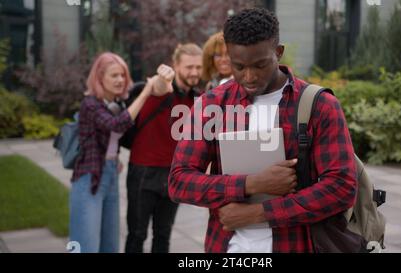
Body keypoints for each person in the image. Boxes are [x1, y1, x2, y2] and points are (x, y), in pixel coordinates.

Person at [168, 8, 357, 253]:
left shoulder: (320, 105)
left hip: (296, 246)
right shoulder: (210, 104)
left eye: (260, 65)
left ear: (278, 53)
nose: (249, 76)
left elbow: (341, 187)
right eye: (239, 66)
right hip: (228, 248)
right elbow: (179, 181)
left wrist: (258, 213)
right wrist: (252, 184)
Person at [70, 52, 172, 253]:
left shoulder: (115, 104)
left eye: (123, 75)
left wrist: (113, 157)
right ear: (99, 78)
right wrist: (145, 93)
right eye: (114, 75)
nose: (120, 80)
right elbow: (117, 126)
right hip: (90, 177)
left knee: (110, 244)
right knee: (85, 244)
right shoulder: (90, 104)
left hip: (110, 173)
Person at [125, 43, 203, 253]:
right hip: (144, 172)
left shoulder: (197, 97)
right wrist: (162, 78)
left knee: (163, 234)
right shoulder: (161, 89)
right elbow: (160, 85)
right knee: (137, 234)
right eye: (188, 67)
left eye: (198, 67)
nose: (194, 72)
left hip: (173, 174)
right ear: (175, 65)